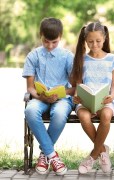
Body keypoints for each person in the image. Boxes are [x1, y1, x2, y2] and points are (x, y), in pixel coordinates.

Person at [22, 17, 74, 175]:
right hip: (40, 97)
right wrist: (42, 97)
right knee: (30, 111)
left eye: (54, 42)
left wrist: (60, 94)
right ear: (40, 36)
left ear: (61, 37)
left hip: (63, 97)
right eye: (46, 41)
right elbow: (30, 88)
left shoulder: (67, 57)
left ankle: (44, 154)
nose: (50, 46)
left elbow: (75, 88)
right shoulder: (33, 56)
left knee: (59, 113)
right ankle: (52, 155)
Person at [70, 21, 114, 174]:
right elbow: (78, 84)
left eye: (98, 41)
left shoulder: (111, 59)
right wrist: (77, 96)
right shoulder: (82, 59)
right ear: (85, 41)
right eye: (90, 41)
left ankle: (92, 157)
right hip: (86, 101)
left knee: (106, 115)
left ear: (104, 38)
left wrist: (112, 96)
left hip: (105, 101)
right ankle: (103, 150)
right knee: (84, 116)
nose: (94, 44)